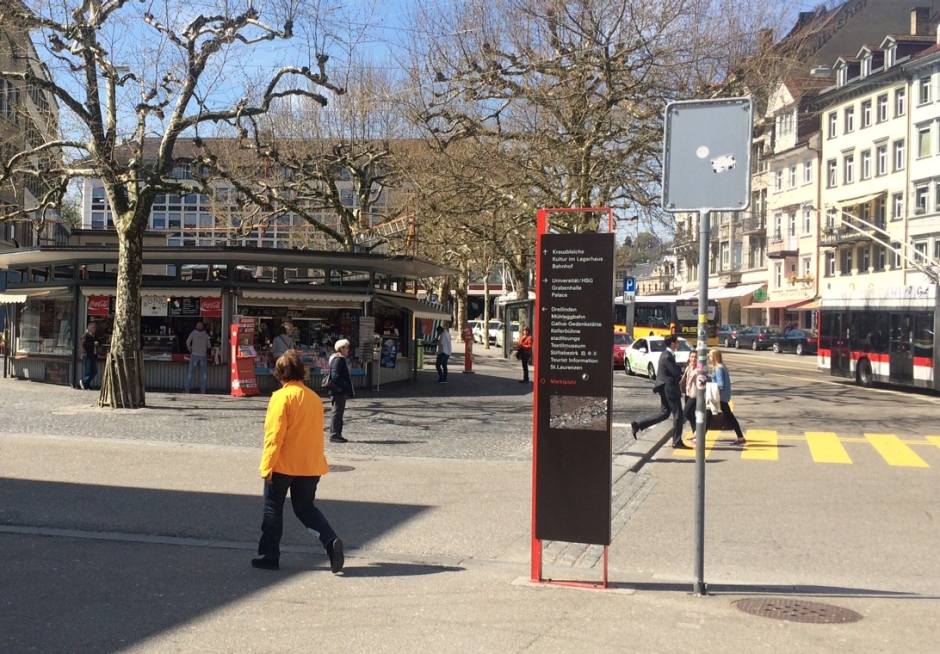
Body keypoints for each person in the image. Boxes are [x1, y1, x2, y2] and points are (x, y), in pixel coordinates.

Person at [252, 350, 344, 573]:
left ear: (279, 374)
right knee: (305, 508)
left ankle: (270, 554)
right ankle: (330, 541)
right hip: (309, 464)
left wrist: (267, 465)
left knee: (273, 508)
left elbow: (274, 435)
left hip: (284, 464)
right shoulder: (313, 398)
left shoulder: (281, 397)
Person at [631, 335, 689, 449]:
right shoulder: (667, 356)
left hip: (666, 387)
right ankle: (677, 441)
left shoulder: (667, 354)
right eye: (677, 342)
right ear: (672, 344)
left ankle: (638, 424)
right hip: (669, 389)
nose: (678, 344)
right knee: (678, 414)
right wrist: (682, 367)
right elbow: (675, 372)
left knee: (664, 413)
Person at [708, 348, 746, 445]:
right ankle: (740, 437)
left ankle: (698, 438)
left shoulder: (718, 368)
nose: (709, 357)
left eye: (710, 355)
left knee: (708, 415)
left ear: (715, 357)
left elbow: (720, 384)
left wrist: (714, 391)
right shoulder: (721, 367)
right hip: (722, 397)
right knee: (728, 416)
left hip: (719, 397)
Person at [328, 339, 355, 443]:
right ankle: (334, 434)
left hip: (339, 390)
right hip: (338, 390)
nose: (348, 349)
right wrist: (344, 385)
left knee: (339, 412)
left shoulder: (339, 359)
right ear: (341, 348)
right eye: (346, 347)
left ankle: (337, 433)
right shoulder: (338, 359)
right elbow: (335, 376)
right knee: (337, 412)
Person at [184, 321, 212, 394]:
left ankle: (187, 389)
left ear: (195, 327)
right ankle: (202, 390)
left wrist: (189, 348)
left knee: (190, 372)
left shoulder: (193, 333)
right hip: (203, 355)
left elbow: (187, 342)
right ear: (203, 327)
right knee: (203, 374)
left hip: (194, 354)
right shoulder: (205, 335)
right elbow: (209, 345)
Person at [679, 350, 699, 439]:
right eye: (692, 357)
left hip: (694, 395)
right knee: (691, 412)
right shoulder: (688, 367)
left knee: (686, 412)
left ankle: (697, 431)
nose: (693, 359)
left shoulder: (700, 369)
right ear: (689, 358)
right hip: (687, 393)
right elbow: (684, 380)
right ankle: (695, 432)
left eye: (695, 357)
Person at [80, 323, 99, 390]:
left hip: (92, 355)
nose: (95, 330)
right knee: (87, 371)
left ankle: (85, 382)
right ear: (90, 328)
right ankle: (85, 383)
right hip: (86, 355)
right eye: (94, 328)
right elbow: (84, 344)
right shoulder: (85, 335)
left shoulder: (93, 336)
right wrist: (93, 344)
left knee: (94, 371)